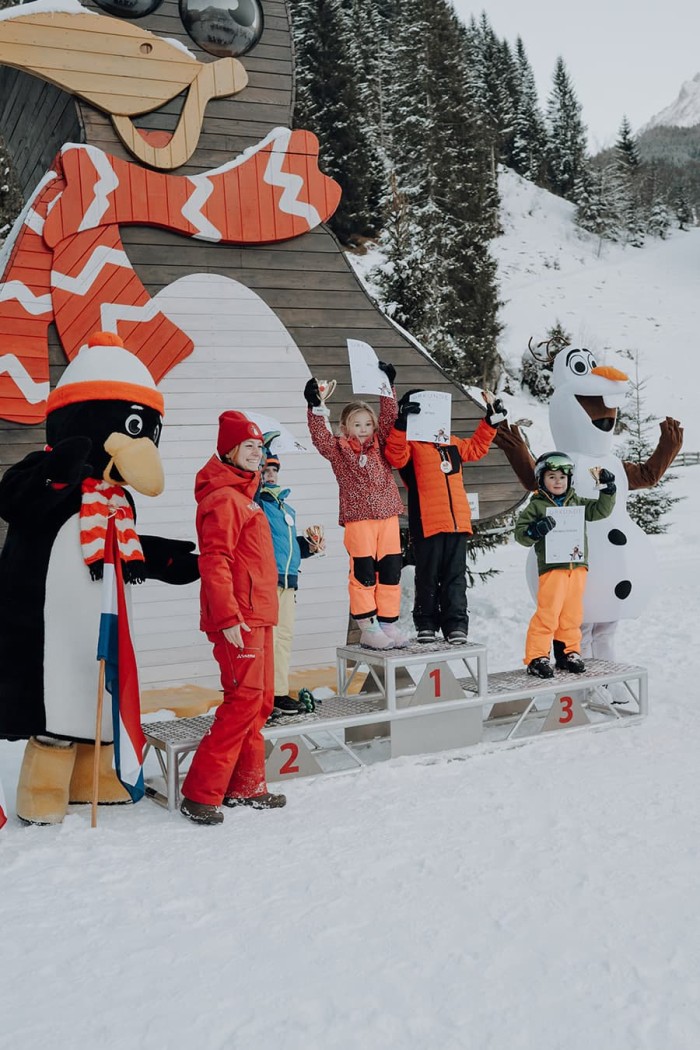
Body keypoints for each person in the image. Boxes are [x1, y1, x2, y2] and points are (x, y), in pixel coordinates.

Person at [180, 411, 285, 825]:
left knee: (259, 703)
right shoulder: (224, 499)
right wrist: (227, 618)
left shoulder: (244, 496)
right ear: (229, 449)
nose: (256, 455)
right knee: (242, 702)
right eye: (248, 447)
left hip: (257, 614)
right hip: (237, 619)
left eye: (259, 448)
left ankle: (247, 785)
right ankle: (201, 792)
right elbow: (215, 561)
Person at [384, 390, 506, 645]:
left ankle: (455, 624)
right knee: (427, 574)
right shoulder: (411, 446)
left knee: (455, 575)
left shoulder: (450, 443)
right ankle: (426, 622)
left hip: (458, 521)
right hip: (427, 521)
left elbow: (476, 449)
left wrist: (489, 421)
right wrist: (401, 425)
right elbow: (394, 455)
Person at [304, 363, 408, 650]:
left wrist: (387, 385)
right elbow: (320, 438)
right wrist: (314, 407)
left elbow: (390, 418)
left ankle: (388, 622)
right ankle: (368, 626)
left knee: (390, 571)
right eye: (356, 425)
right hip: (358, 519)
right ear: (345, 427)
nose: (362, 430)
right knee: (363, 572)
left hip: (387, 516)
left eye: (367, 425)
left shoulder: (383, 445)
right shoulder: (338, 450)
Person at [515, 452, 616, 679]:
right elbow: (521, 536)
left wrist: (608, 489)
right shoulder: (537, 506)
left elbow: (600, 510)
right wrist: (535, 530)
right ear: (542, 479)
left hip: (577, 567)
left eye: (562, 476)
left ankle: (568, 653)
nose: (558, 481)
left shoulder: (577, 502)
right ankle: (537, 657)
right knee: (548, 613)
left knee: (572, 614)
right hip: (552, 568)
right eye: (552, 476)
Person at [257, 445, 323, 714]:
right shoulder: (256, 503)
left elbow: (286, 548)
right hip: (267, 581)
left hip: (289, 580)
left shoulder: (286, 507)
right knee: (267, 640)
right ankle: (262, 695)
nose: (270, 475)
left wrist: (308, 546)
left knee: (284, 638)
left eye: (273, 470)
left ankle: (279, 693)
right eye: (264, 469)